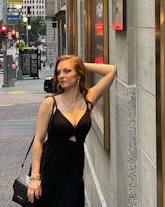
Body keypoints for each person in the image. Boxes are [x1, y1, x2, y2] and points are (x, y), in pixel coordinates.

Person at [27, 55, 117, 207]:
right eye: (58, 72)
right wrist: (35, 178)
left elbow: (111, 70)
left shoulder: (88, 98)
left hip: (75, 168)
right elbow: (38, 140)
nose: (61, 76)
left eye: (67, 71)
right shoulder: (50, 103)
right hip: (51, 166)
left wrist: (81, 64)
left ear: (79, 74)